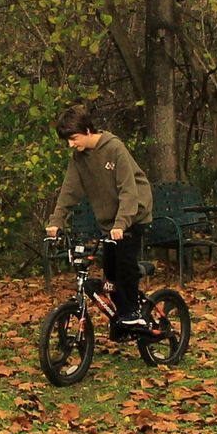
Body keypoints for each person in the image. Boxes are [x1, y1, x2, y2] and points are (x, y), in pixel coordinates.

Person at [44, 104, 153, 327]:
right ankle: (121, 320)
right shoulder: (78, 159)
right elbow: (69, 192)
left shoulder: (114, 148)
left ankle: (133, 313)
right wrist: (56, 222)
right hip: (110, 223)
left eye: (73, 138)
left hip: (132, 215)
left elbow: (128, 190)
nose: (71, 144)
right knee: (110, 276)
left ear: (87, 130)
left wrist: (122, 223)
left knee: (124, 263)